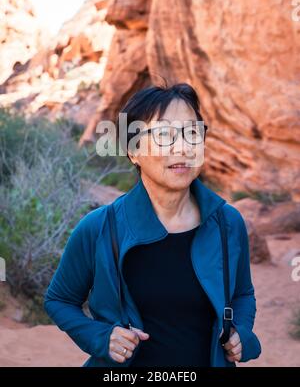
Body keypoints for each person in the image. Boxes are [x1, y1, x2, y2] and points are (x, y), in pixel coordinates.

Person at [44, 82, 261, 367]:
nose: (182, 147)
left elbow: (242, 293)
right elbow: (59, 300)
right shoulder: (99, 228)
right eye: (164, 135)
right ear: (133, 151)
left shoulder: (227, 223)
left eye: (192, 133)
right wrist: (101, 336)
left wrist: (242, 333)